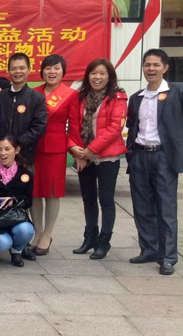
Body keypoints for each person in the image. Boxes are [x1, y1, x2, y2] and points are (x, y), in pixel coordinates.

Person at [126, 49, 181, 275]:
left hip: (163, 157)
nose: (151, 69)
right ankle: (149, 249)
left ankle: (168, 257)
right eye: (147, 65)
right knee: (142, 207)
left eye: (156, 65)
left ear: (165, 68)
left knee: (166, 209)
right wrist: (131, 154)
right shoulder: (136, 97)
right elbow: (132, 127)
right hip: (140, 156)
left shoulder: (176, 92)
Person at [68, 59, 127, 260]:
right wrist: (76, 152)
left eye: (102, 73)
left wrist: (91, 150)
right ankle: (90, 237)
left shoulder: (118, 97)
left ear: (109, 77)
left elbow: (114, 128)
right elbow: (73, 125)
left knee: (106, 200)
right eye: (93, 73)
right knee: (88, 198)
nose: (97, 77)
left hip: (107, 157)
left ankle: (104, 241)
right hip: (84, 157)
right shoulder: (80, 96)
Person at [29, 55, 78, 257]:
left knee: (51, 192)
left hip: (55, 149)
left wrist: (75, 149)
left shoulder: (70, 94)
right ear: (42, 71)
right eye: (48, 68)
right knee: (34, 191)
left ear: (63, 71)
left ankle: (48, 234)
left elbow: (74, 125)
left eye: (56, 68)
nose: (52, 72)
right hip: (33, 147)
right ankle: (38, 232)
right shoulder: (34, 93)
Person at [0, 136, 35, 267]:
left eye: (7, 149)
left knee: (27, 230)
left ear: (17, 150)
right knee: (2, 242)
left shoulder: (25, 174)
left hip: (15, 217)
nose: (2, 153)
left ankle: (17, 251)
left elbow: (28, 201)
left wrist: (14, 201)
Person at [0, 53, 47, 168]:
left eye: (22, 68)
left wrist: (16, 143)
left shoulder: (37, 98)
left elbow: (39, 128)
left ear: (29, 70)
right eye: (14, 68)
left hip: (25, 157)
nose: (18, 71)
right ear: (9, 71)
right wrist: (0, 146)